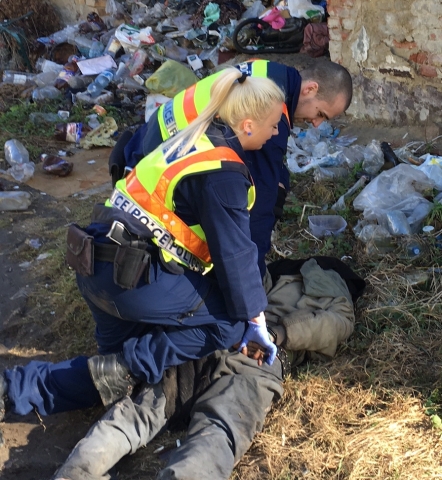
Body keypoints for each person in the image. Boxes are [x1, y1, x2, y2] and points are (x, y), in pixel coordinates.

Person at [0, 68, 286, 422]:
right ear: (248, 125)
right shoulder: (223, 172)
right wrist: (254, 318)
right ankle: (126, 367)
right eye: (274, 125)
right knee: (229, 323)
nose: (276, 133)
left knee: (106, 377)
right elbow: (235, 255)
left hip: (94, 264)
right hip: (132, 281)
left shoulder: (188, 141)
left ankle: (13, 390)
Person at [51, 257, 365, 480]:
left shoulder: (274, 277)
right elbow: (336, 324)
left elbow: (334, 324)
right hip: (246, 355)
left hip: (222, 341)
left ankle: (77, 471)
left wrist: (274, 333)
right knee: (217, 430)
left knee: (143, 411)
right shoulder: (317, 290)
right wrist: (275, 335)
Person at [110, 59, 353, 276]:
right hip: (153, 182)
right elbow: (260, 209)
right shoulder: (269, 110)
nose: (316, 124)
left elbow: (272, 167)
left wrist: (279, 182)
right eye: (320, 114)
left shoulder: (268, 70)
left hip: (150, 140)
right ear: (310, 89)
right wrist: (255, 274)